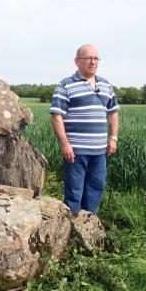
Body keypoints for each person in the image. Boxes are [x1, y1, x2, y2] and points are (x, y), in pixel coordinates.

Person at [50, 44, 120, 215]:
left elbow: (113, 112)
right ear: (77, 61)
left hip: (99, 151)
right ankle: (72, 225)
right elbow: (56, 115)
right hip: (75, 151)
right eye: (88, 58)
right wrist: (65, 144)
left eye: (96, 58)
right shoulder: (65, 85)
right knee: (74, 190)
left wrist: (113, 138)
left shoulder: (105, 85)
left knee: (96, 187)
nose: (92, 62)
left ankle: (89, 222)